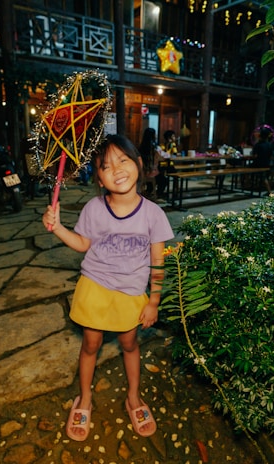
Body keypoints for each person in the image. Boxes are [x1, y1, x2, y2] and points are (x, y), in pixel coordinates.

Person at [42, 134, 174, 441]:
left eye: (123, 160)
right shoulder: (94, 208)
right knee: (90, 345)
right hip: (95, 287)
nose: (116, 169)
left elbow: (158, 263)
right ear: (98, 178)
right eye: (105, 166)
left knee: (129, 344)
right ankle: (84, 398)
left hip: (130, 293)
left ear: (139, 165)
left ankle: (134, 397)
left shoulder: (154, 214)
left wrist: (153, 302)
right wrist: (58, 227)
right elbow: (83, 244)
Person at [138, 128, 168, 199]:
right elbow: (162, 158)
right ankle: (158, 194)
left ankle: (149, 191)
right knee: (163, 180)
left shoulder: (141, 147)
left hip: (143, 172)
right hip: (153, 172)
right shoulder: (155, 148)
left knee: (156, 175)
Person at [252, 127, 274, 194]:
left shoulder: (258, 145)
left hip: (258, 164)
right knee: (265, 177)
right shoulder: (269, 145)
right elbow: (271, 155)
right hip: (267, 164)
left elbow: (254, 156)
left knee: (246, 169)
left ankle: (269, 192)